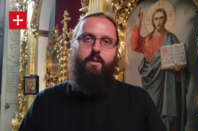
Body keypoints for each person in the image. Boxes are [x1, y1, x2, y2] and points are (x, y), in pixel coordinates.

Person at [18, 12, 167, 131]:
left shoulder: (139, 101)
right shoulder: (45, 102)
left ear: (116, 51)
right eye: (87, 38)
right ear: (73, 45)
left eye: (106, 41)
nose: (96, 48)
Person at [130, 8, 190, 131]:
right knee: (150, 113)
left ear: (165, 20)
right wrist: (139, 23)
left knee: (167, 117)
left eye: (161, 18)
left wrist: (179, 70)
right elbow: (134, 45)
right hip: (151, 84)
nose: (158, 21)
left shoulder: (171, 38)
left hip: (168, 84)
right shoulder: (147, 40)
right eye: (156, 18)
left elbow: (182, 63)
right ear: (152, 21)